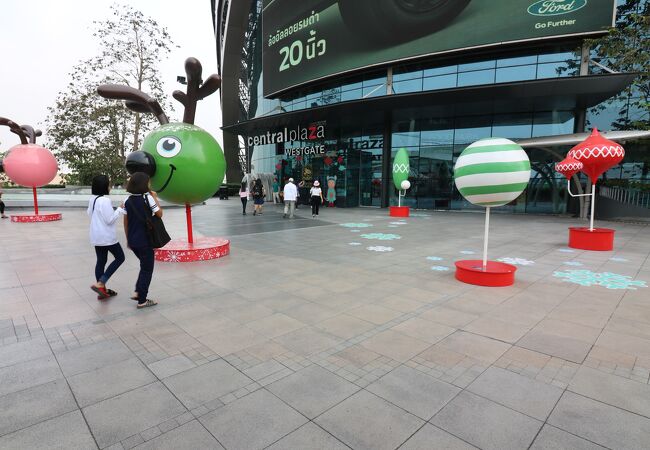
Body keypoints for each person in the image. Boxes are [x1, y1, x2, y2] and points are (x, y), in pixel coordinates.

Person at [123, 172, 161, 309]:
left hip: (133, 240)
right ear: (144, 184)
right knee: (147, 269)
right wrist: (155, 198)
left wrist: (128, 239)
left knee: (144, 266)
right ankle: (142, 300)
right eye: (148, 182)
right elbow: (159, 214)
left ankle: (138, 291)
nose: (150, 184)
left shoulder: (127, 200)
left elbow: (125, 222)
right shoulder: (148, 198)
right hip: (145, 240)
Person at [88, 175, 126, 299]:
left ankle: (102, 291)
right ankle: (101, 283)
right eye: (109, 184)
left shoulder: (93, 199)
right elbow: (110, 220)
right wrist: (119, 209)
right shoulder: (104, 200)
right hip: (107, 237)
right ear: (104, 186)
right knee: (120, 257)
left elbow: (90, 213)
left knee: (101, 261)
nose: (110, 187)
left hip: (96, 236)